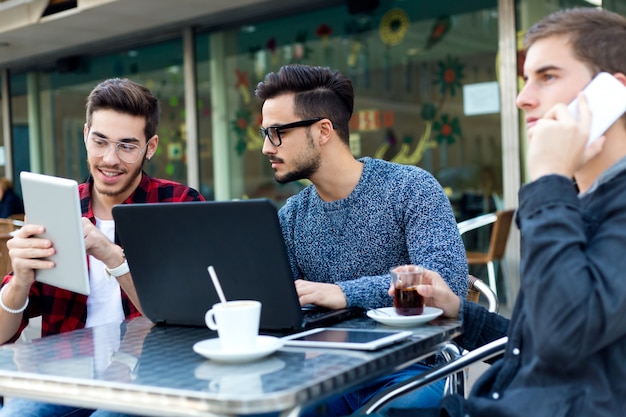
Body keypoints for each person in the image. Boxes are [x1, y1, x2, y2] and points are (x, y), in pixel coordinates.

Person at [375, 7, 626, 417]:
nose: (522, 97)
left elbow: (566, 331)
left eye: (547, 77)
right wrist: (460, 312)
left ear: (612, 94)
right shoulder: (581, 201)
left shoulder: (580, 199)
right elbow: (538, 344)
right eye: (527, 79)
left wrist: (549, 178)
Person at [255, 65, 468, 415]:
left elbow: (447, 283)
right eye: (265, 133)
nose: (266, 147)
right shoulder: (291, 215)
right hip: (321, 371)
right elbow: (283, 305)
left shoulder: (411, 188)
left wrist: (343, 293)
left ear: (324, 130)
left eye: (277, 132)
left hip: (408, 371)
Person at [0, 78, 204, 416]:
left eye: (127, 145)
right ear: (85, 136)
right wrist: (19, 281)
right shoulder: (58, 208)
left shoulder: (178, 204)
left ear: (150, 147)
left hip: (150, 375)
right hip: (65, 377)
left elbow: (188, 319)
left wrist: (111, 255)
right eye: (100, 141)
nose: (110, 159)